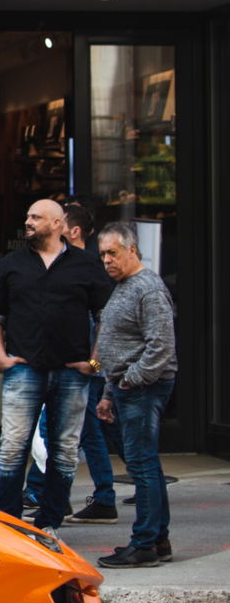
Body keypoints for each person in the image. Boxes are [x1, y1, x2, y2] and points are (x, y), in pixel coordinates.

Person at [0, 198, 111, 531]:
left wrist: (95, 361)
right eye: (28, 215)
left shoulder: (87, 264)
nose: (28, 221)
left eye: (35, 217)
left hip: (72, 372)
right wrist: (1, 357)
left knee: (65, 452)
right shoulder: (11, 264)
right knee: (11, 449)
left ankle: (48, 524)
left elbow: (107, 318)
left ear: (57, 224)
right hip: (23, 370)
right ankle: (8, 524)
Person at [24, 201, 122, 524]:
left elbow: (100, 326)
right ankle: (80, 496)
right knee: (84, 431)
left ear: (71, 229)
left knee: (58, 430)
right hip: (82, 368)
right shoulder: (71, 266)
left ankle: (61, 496)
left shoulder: (86, 269)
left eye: (59, 221)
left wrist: (93, 366)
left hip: (82, 369)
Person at [92, 221, 177, 568]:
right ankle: (158, 539)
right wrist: (110, 392)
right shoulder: (125, 285)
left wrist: (130, 381)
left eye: (113, 252)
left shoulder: (148, 288)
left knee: (141, 466)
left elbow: (162, 346)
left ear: (132, 250)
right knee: (148, 466)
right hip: (127, 387)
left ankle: (144, 545)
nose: (107, 260)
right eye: (102, 255)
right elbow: (121, 345)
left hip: (144, 387)